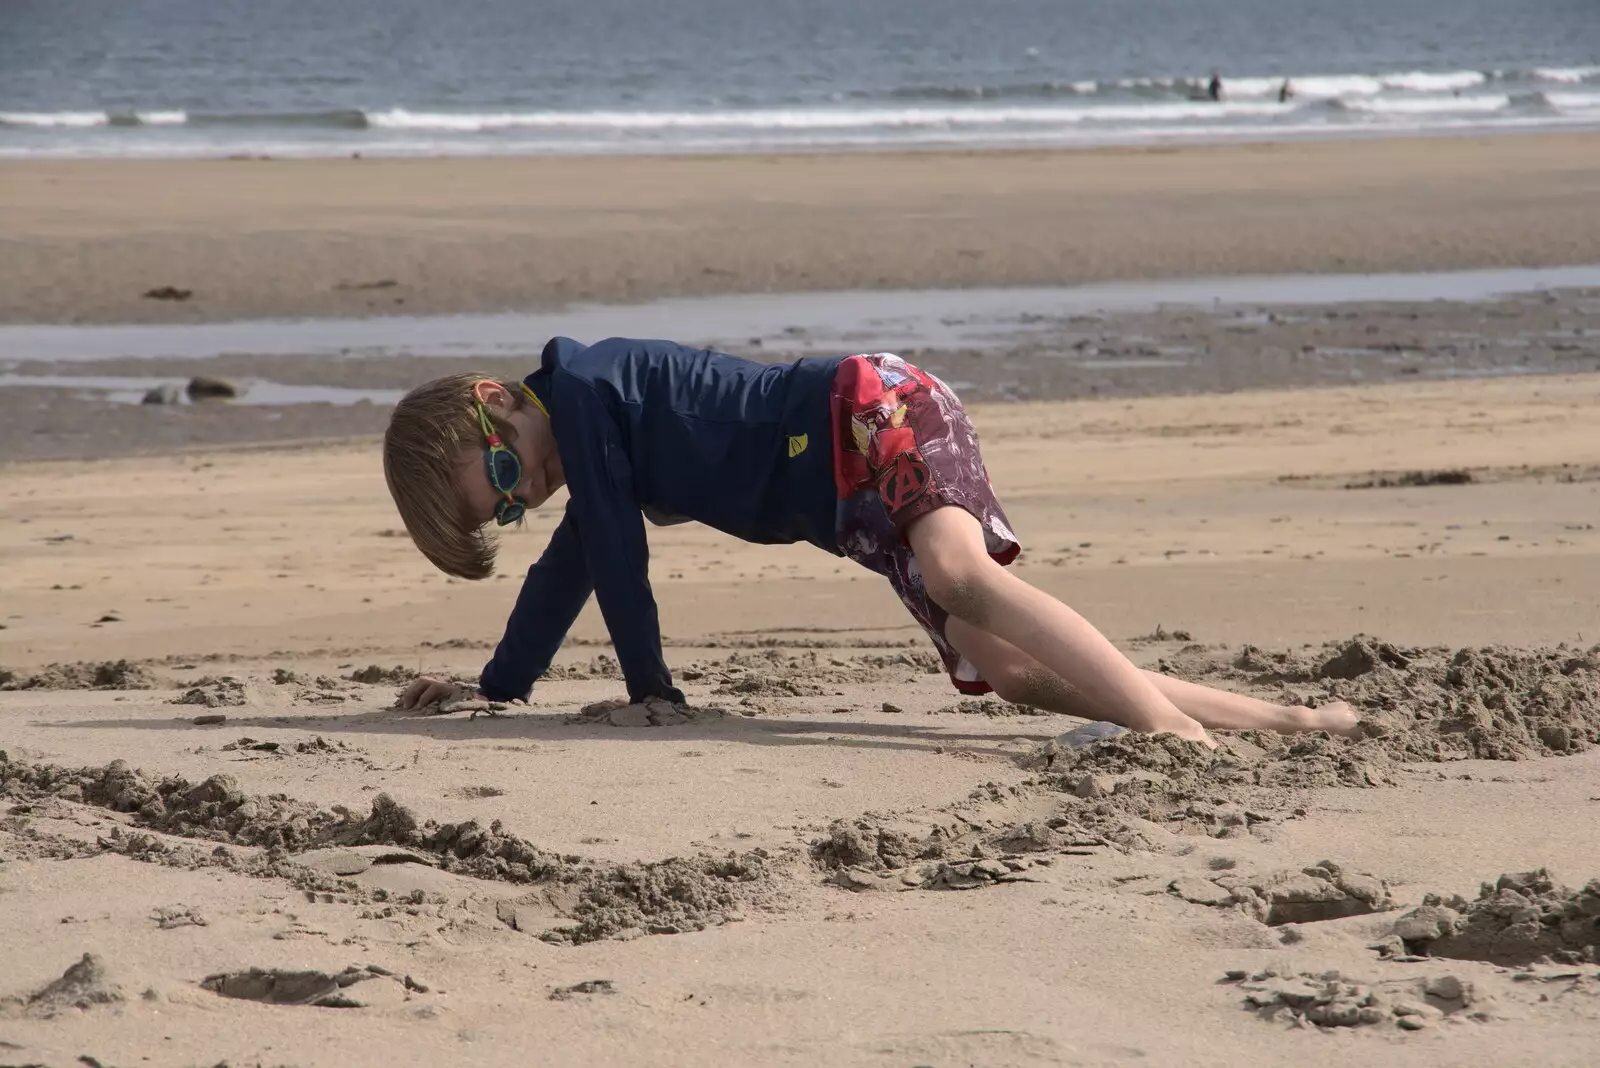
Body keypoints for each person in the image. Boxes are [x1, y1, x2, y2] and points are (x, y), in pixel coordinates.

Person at [387, 338, 1359, 746]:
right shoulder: (590, 450)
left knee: (959, 575)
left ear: (492, 401)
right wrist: (504, 686)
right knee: (1007, 672)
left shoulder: (590, 390)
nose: (528, 496)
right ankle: (1283, 723)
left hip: (866, 408)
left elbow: (613, 553)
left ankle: (1169, 732)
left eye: (505, 476)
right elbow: (578, 563)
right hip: (850, 510)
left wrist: (652, 693)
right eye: (504, 511)